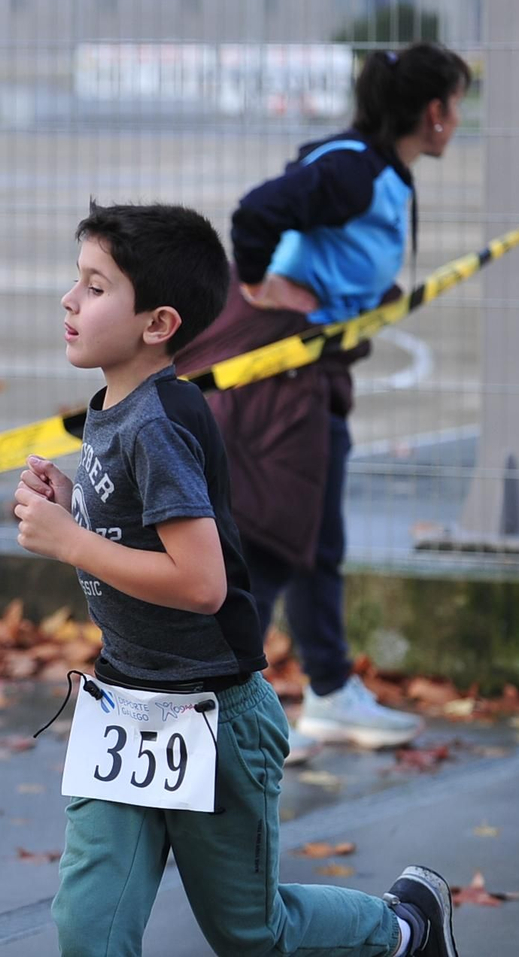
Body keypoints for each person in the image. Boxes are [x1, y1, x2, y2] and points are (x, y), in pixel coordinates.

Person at [13, 203, 458, 957]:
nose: (70, 299)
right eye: (76, 280)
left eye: (95, 286)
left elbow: (200, 583)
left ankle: (406, 927)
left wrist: (71, 543)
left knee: (252, 934)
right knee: (89, 926)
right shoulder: (112, 408)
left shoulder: (157, 421)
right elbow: (132, 532)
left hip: (214, 714)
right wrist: (71, 504)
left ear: (157, 323)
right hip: (129, 702)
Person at [176, 43, 472, 764]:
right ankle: (218, 708)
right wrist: (263, 285)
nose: (460, 119)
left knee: (316, 541)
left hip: (314, 370)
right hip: (281, 373)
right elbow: (255, 216)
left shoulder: (376, 170)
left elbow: (340, 255)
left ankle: (331, 689)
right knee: (277, 540)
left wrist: (367, 302)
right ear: (433, 113)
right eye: (458, 104)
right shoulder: (352, 170)